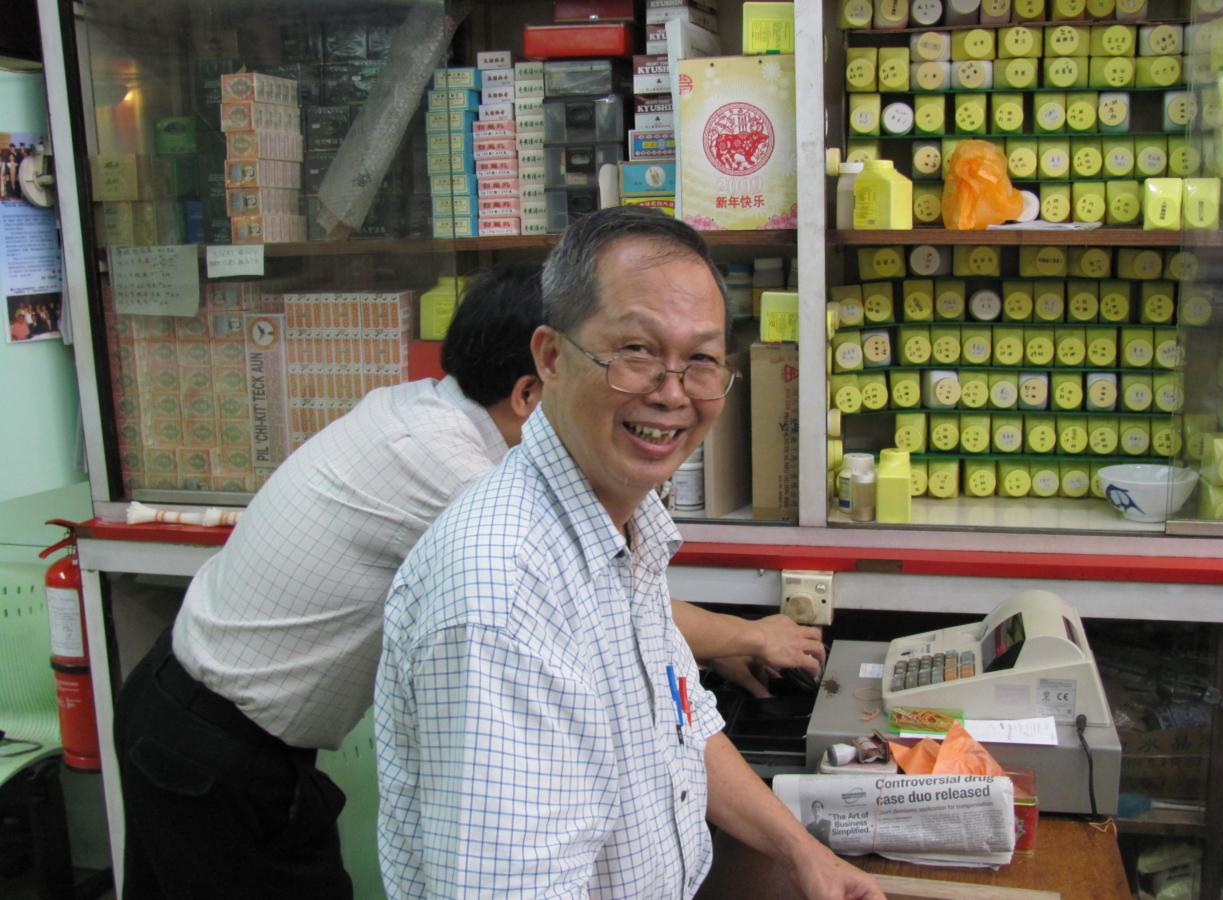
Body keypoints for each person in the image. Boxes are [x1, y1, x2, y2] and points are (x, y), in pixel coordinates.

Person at [113, 261, 825, 900]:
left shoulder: (424, 411)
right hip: (210, 743)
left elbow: (616, 597)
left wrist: (715, 646)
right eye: (605, 362)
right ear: (533, 385)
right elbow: (588, 581)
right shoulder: (470, 488)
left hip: (198, 712)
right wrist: (743, 633)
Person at [376, 208, 885, 900]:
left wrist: (801, 851)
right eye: (636, 352)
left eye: (700, 360)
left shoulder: (621, 521)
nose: (672, 393)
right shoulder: (501, 590)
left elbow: (682, 726)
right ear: (551, 358)